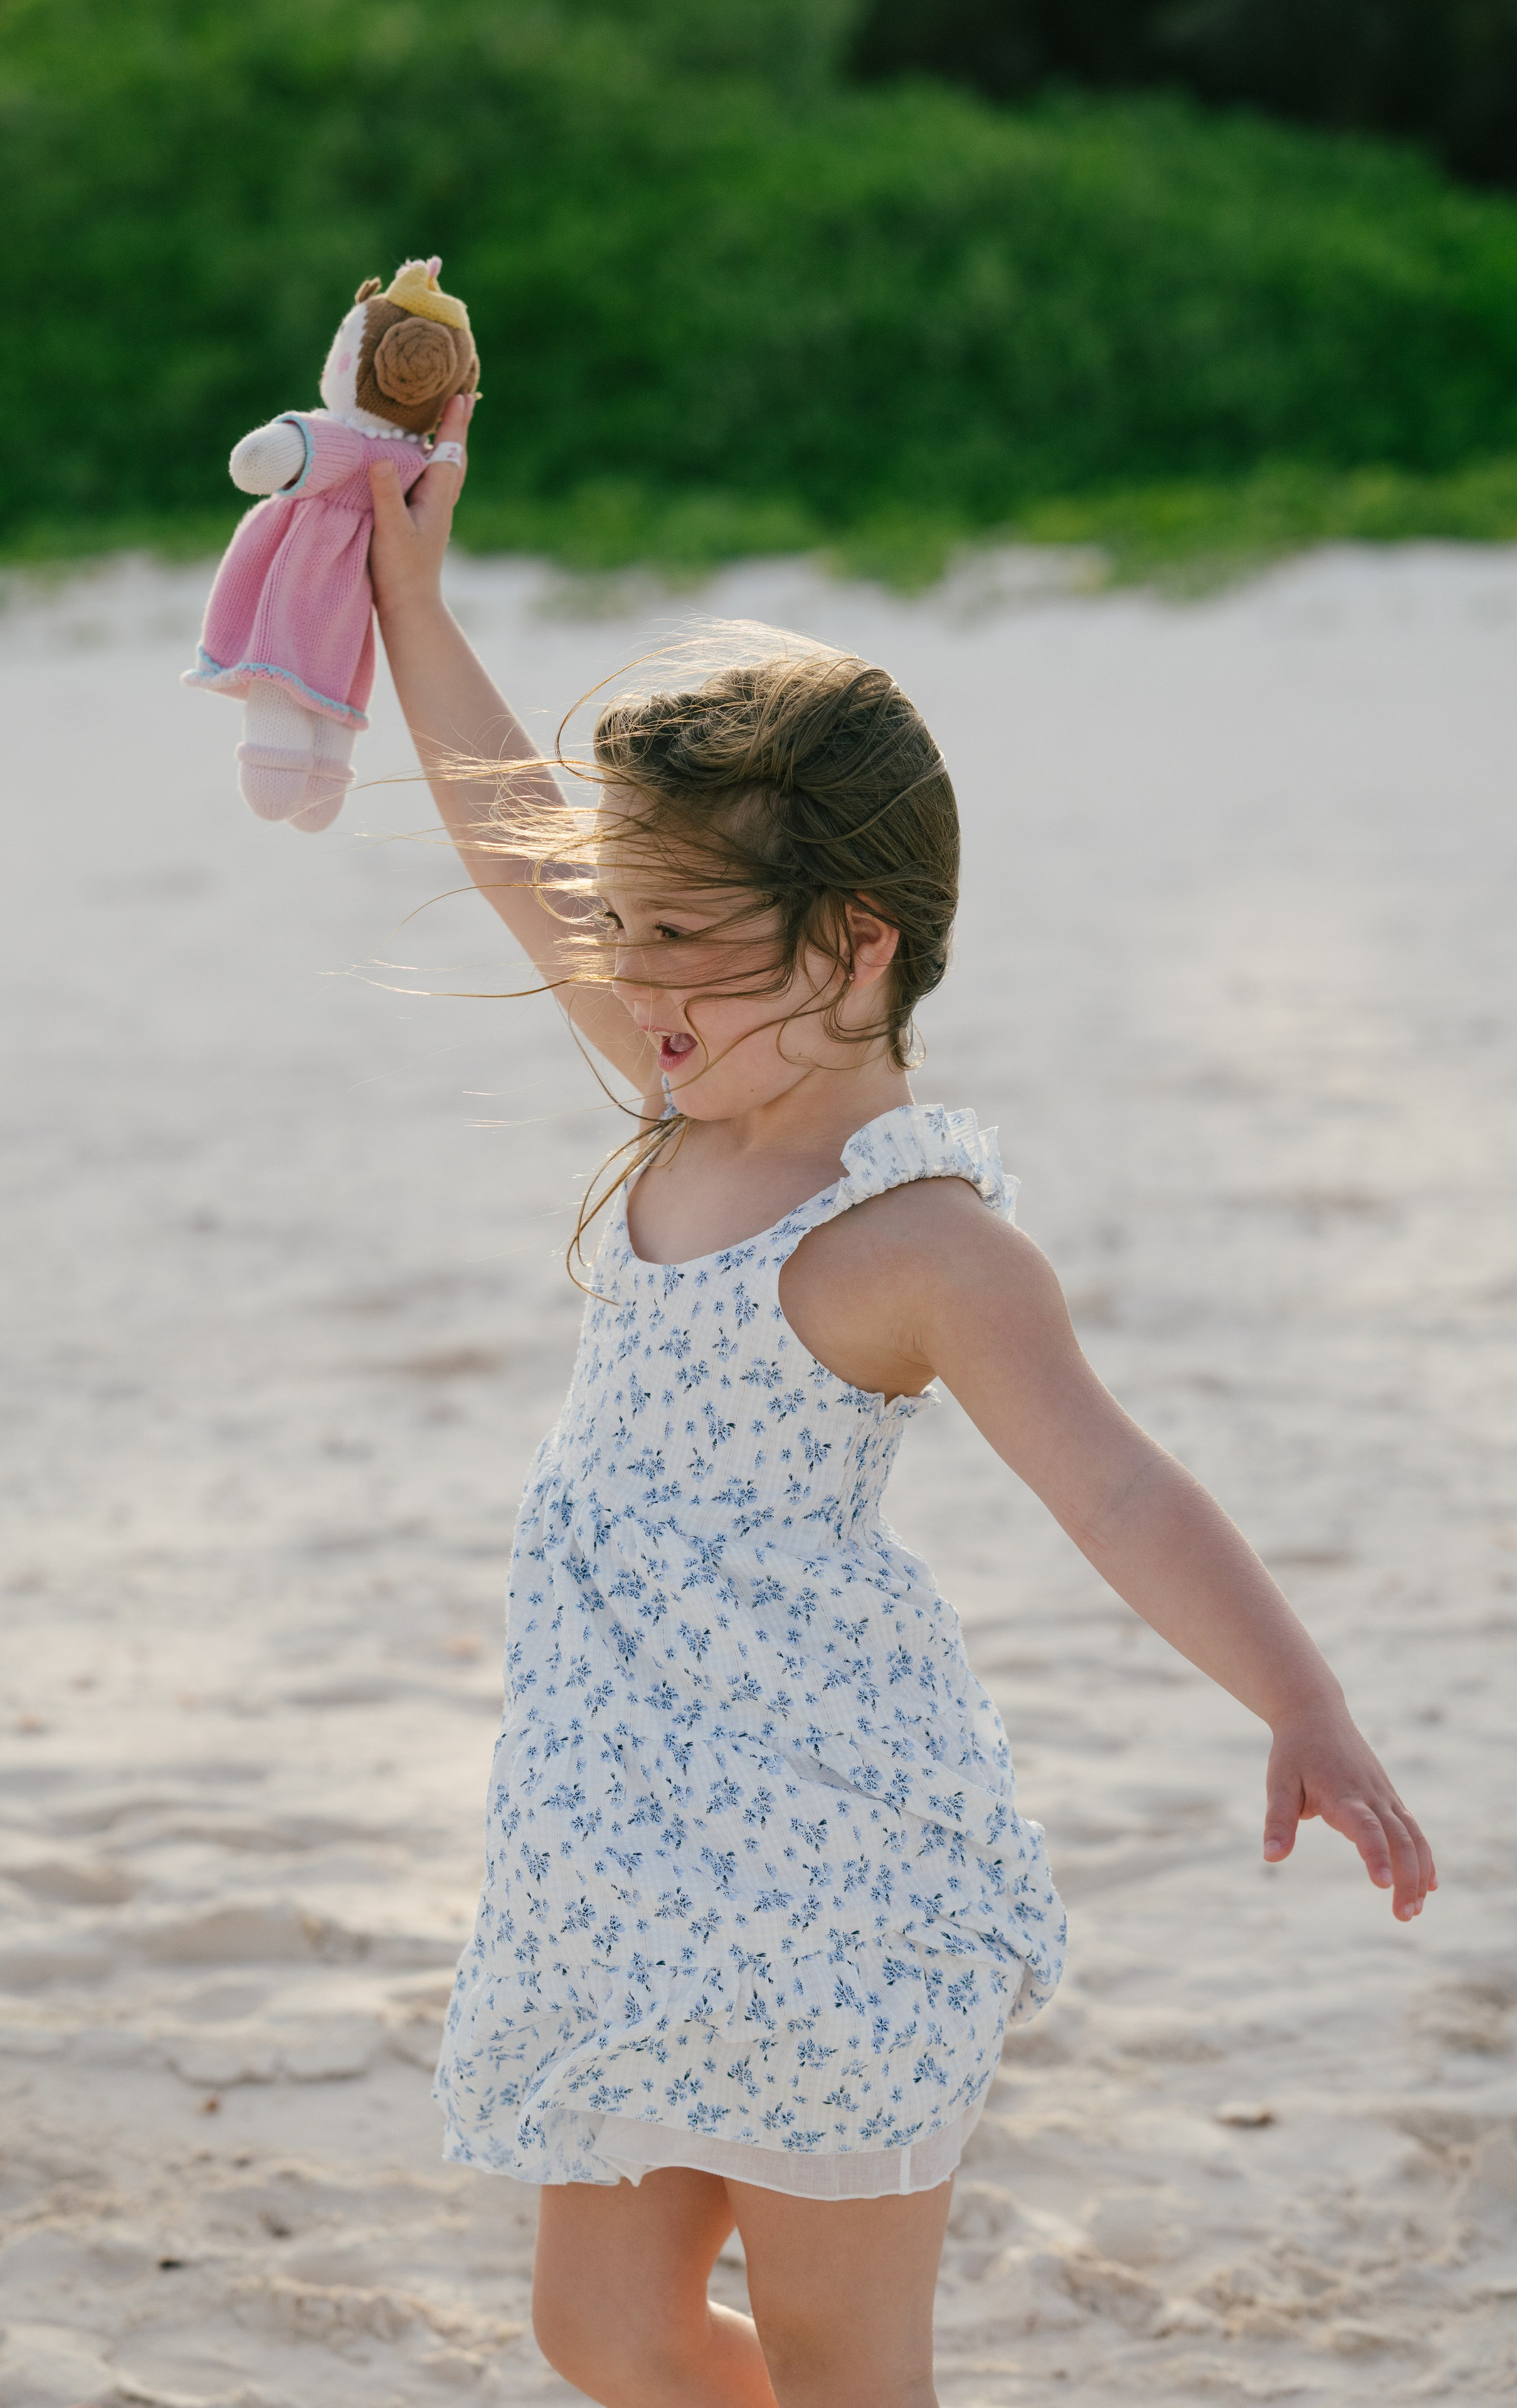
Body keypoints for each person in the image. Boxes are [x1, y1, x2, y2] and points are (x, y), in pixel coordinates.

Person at [363, 392, 1435, 2408]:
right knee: (597, 2327)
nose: (633, 976)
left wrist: (1303, 1703)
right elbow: (507, 819)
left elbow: (1119, 1490)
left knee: (859, 2370)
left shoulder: (917, 1242)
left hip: (826, 1867)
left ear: (855, 947)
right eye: (626, 930)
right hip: (620, 1852)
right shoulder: (690, 1083)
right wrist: (413, 584)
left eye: (683, 939)